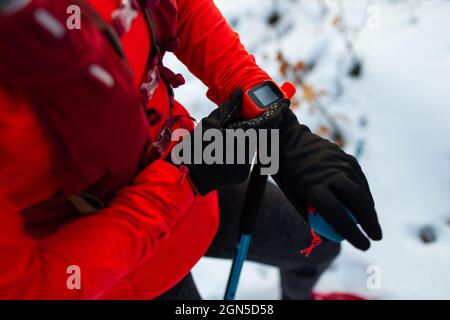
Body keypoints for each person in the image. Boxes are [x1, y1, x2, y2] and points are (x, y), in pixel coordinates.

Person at [0, 0, 382, 299]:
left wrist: (276, 125)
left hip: (195, 186)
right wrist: (185, 177)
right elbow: (27, 288)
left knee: (315, 246)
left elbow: (179, 8)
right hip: (119, 275)